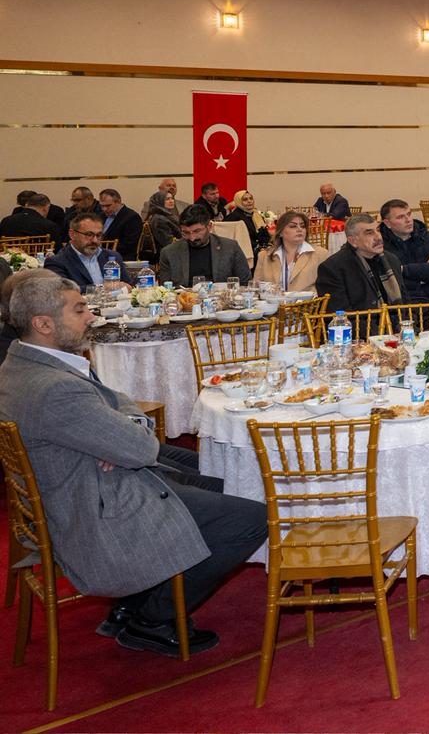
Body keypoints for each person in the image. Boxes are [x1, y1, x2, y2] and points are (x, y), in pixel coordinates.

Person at [0, 270, 267, 656]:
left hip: (73, 477)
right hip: (92, 506)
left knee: (210, 469)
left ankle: (134, 600)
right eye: (79, 310)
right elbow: (140, 448)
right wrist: (121, 435)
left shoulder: (23, 363)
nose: (90, 316)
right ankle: (153, 619)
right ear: (43, 324)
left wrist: (116, 432)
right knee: (252, 520)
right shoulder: (56, 387)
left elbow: (116, 399)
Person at [315, 213, 405, 312]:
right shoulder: (333, 269)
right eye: (369, 233)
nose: (378, 237)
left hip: (397, 320)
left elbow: (406, 303)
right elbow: (339, 314)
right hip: (359, 321)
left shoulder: (391, 260)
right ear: (353, 241)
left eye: (378, 230)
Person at [158, 205, 252, 287]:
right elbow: (165, 290)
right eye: (186, 232)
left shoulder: (230, 248)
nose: (192, 238)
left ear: (210, 226)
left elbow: (245, 283)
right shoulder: (169, 253)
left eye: (197, 231)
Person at [378, 200, 429, 304]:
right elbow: (385, 282)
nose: (408, 220)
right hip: (399, 305)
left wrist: (402, 269)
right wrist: (425, 272)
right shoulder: (380, 246)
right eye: (400, 217)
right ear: (387, 223)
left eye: (409, 214)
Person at [45, 212, 128, 291]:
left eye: (99, 235)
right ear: (72, 234)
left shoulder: (112, 257)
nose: (95, 240)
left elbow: (128, 284)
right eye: (89, 234)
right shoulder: (57, 262)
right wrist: (102, 288)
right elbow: (64, 291)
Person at [254, 210, 326, 293]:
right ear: (280, 232)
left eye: (302, 226)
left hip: (307, 301)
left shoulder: (320, 254)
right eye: (293, 226)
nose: (299, 229)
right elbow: (256, 288)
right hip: (273, 300)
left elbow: (326, 287)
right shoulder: (264, 256)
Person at [98, 189, 143, 261]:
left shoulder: (132, 217)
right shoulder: (101, 216)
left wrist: (104, 252)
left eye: (108, 205)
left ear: (118, 202)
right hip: (100, 255)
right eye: (102, 206)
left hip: (121, 258)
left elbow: (129, 244)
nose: (104, 209)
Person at [224, 189, 272, 255]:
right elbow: (238, 239)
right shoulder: (234, 217)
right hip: (245, 252)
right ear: (238, 202)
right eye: (245, 199)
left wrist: (267, 245)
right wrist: (259, 248)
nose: (249, 201)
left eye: (251, 198)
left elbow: (264, 233)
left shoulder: (256, 214)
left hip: (261, 250)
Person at [143, 193, 181, 260]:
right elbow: (168, 242)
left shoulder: (167, 216)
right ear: (159, 201)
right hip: (167, 255)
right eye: (167, 199)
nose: (171, 201)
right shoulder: (159, 219)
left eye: (172, 198)